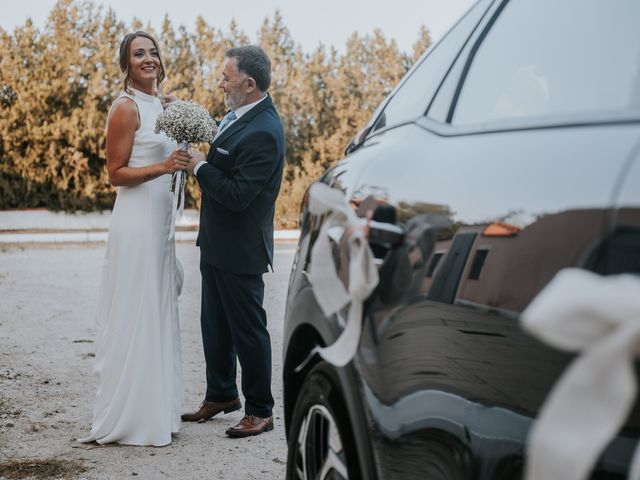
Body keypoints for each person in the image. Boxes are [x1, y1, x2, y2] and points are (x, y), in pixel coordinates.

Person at [78, 31, 191, 446]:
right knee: (138, 309)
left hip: (159, 224)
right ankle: (131, 416)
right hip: (137, 222)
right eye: (138, 53)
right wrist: (163, 167)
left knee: (157, 310)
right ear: (126, 64)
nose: (148, 58)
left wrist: (178, 126)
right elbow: (115, 174)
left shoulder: (161, 104)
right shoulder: (125, 108)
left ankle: (158, 410)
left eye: (153, 52)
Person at [182, 45, 285, 437]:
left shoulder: (265, 131)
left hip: (242, 250)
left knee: (248, 331)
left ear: (249, 83)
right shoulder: (239, 115)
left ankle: (261, 410)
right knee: (215, 325)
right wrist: (185, 114)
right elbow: (222, 142)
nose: (221, 82)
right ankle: (222, 393)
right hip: (216, 243)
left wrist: (199, 166)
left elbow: (239, 194)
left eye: (226, 77)